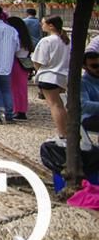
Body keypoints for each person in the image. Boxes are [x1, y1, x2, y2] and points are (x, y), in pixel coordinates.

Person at [32, 16, 71, 144]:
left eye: (43, 23)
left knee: (55, 105)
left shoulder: (47, 41)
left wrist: (38, 72)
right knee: (60, 105)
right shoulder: (66, 41)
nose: (41, 25)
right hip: (62, 76)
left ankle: (62, 134)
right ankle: (65, 131)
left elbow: (38, 61)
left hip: (48, 75)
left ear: (51, 26)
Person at [4, 17, 34, 121]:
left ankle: (16, 110)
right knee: (22, 89)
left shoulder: (16, 37)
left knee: (14, 88)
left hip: (16, 63)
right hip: (24, 63)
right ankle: (21, 109)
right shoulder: (26, 38)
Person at [83, 51, 99, 133]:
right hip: (88, 117)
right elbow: (84, 105)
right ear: (85, 67)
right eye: (94, 66)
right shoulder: (82, 83)